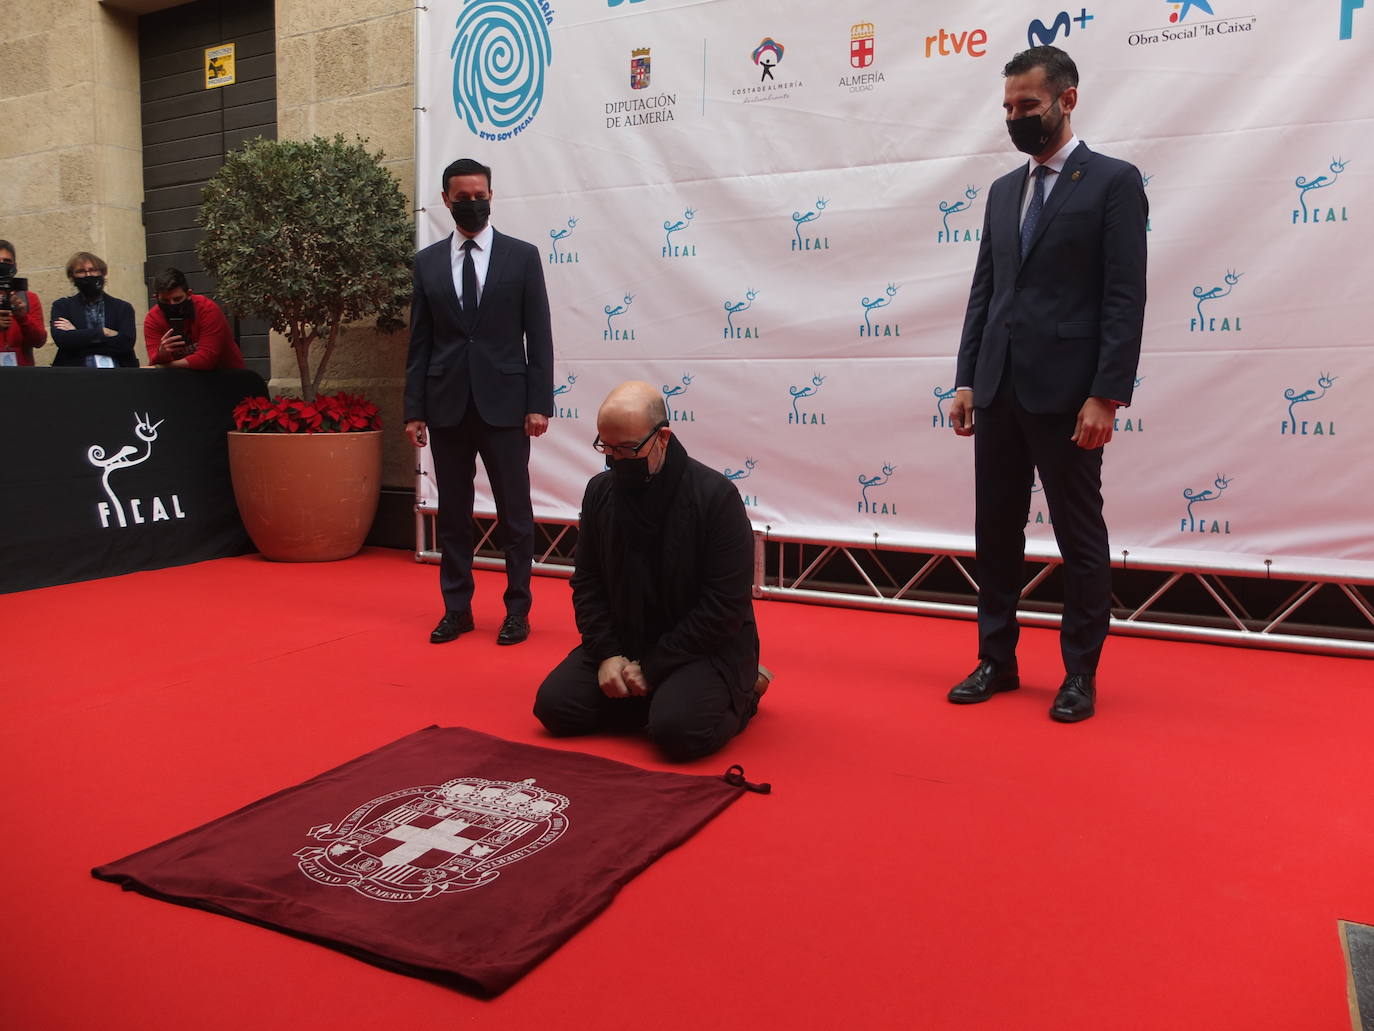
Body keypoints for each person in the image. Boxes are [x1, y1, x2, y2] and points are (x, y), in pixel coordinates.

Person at [946, 45, 1147, 723]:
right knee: (995, 532)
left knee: (1078, 535)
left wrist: (1107, 394)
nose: (1015, 118)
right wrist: (967, 379)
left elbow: (1124, 296)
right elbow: (985, 292)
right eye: (1007, 108)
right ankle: (996, 660)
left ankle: (1080, 672)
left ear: (1067, 99)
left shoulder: (1114, 182)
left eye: (1027, 106)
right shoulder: (1005, 191)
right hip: (998, 387)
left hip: (1069, 395)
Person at [533, 381, 765, 762]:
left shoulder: (715, 497)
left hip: (700, 649)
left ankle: (745, 691)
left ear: (662, 437)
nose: (615, 460)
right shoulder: (599, 492)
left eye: (626, 449)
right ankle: (656, 699)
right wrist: (608, 654)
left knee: (679, 733)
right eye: (606, 448)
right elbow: (587, 582)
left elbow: (724, 607)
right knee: (556, 708)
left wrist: (655, 667)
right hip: (625, 643)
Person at [404, 158, 554, 646]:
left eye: (480, 195)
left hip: (507, 406)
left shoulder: (522, 256)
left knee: (515, 513)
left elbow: (540, 336)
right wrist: (414, 409)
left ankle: (517, 611)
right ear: (445, 200)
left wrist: (539, 403)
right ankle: (457, 608)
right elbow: (420, 344)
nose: (473, 204)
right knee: (452, 515)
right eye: (463, 198)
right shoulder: (427, 262)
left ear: (491, 194)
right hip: (446, 406)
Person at [143, 267, 244, 370]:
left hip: (226, 376)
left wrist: (164, 366)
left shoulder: (207, 309)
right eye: (165, 301)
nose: (172, 305)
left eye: (177, 299)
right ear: (156, 298)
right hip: (181, 381)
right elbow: (154, 360)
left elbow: (206, 359)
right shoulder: (153, 319)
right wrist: (162, 354)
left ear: (189, 294)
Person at [50, 252, 138, 368]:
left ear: (102, 273)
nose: (88, 275)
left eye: (93, 270)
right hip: (75, 377)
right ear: (72, 277)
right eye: (81, 271)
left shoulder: (122, 308)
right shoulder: (62, 306)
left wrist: (77, 334)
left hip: (118, 376)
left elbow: (125, 343)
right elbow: (62, 339)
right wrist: (104, 332)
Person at [0, 240, 46, 367]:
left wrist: (22, 317)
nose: (2, 265)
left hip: (21, 375)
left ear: (15, 266)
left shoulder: (29, 298)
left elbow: (39, 341)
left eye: (7, 261)